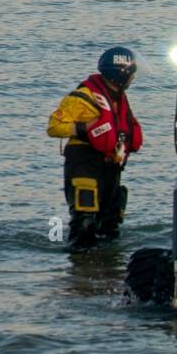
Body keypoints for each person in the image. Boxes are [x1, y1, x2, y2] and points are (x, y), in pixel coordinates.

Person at [46, 47, 143, 251]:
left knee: (110, 223)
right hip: (84, 163)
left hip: (110, 166)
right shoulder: (83, 96)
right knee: (85, 220)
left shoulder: (119, 98)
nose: (133, 77)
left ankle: (108, 268)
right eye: (131, 72)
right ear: (120, 73)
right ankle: (80, 270)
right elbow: (54, 127)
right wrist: (84, 128)